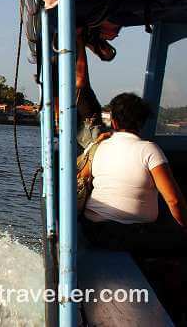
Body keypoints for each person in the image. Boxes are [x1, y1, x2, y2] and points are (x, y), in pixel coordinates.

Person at [79, 93, 187, 255]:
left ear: (114, 122)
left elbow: (79, 176)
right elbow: (174, 200)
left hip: (92, 230)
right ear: (142, 122)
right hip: (131, 236)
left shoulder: (98, 146)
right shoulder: (149, 149)